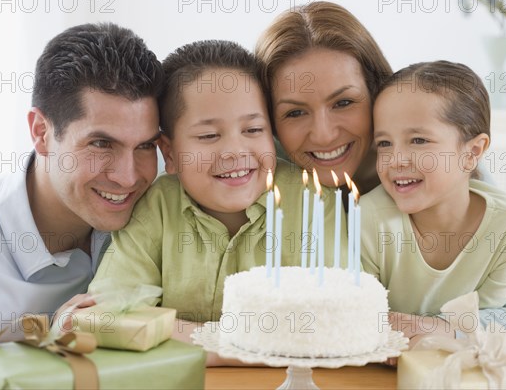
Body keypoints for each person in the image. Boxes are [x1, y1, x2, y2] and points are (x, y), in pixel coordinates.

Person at [255, 1, 506, 346]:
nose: (325, 133)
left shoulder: (439, 169)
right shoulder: (266, 172)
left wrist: (439, 329)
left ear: (377, 92)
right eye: (295, 113)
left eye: (344, 102)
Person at [88, 40, 346, 358]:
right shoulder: (157, 207)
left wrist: (170, 330)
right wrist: (243, 346)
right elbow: (106, 317)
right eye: (209, 136)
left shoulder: (314, 200)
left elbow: (337, 319)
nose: (235, 152)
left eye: (253, 130)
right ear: (169, 153)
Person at [0, 23, 164, 343]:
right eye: (101, 144)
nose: (129, 177)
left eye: (145, 146)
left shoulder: (161, 213)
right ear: (41, 132)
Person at [361, 60, 506, 333]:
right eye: (384, 143)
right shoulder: (369, 218)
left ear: (473, 152)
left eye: (418, 140)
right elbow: (363, 321)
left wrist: (430, 329)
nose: (395, 160)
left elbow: (486, 324)